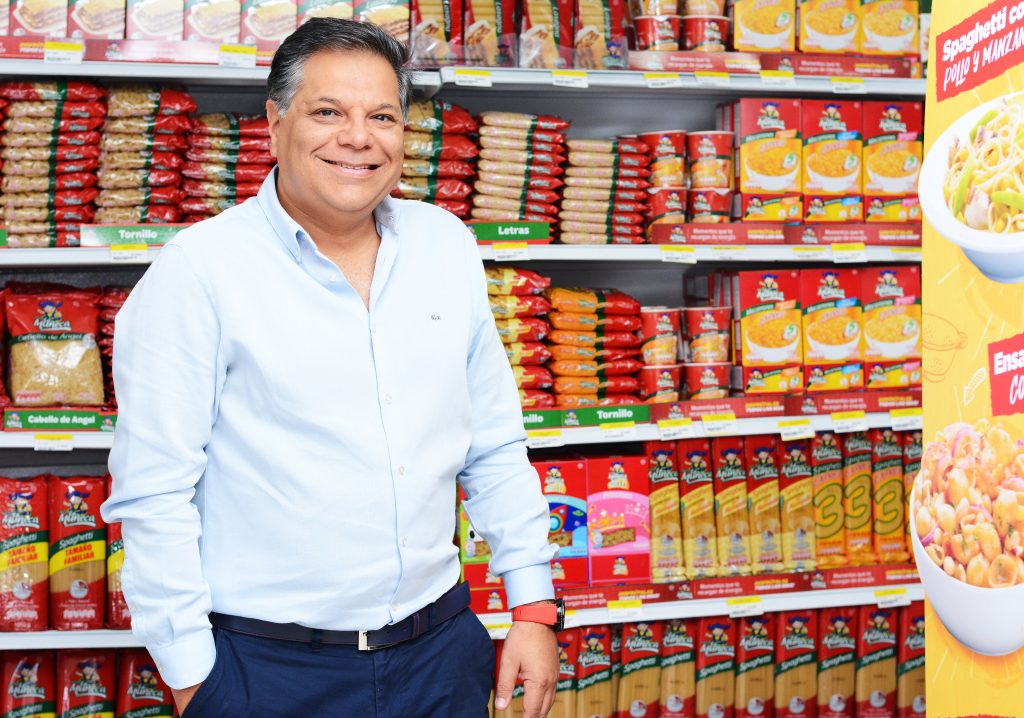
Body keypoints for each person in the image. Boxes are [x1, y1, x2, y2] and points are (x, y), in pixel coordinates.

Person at [102, 18, 559, 718]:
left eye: (382, 116)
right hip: (270, 669)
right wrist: (197, 684)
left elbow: (494, 444)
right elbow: (153, 495)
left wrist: (532, 606)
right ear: (274, 123)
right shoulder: (199, 272)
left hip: (441, 656)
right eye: (327, 112)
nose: (358, 137)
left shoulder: (445, 246)